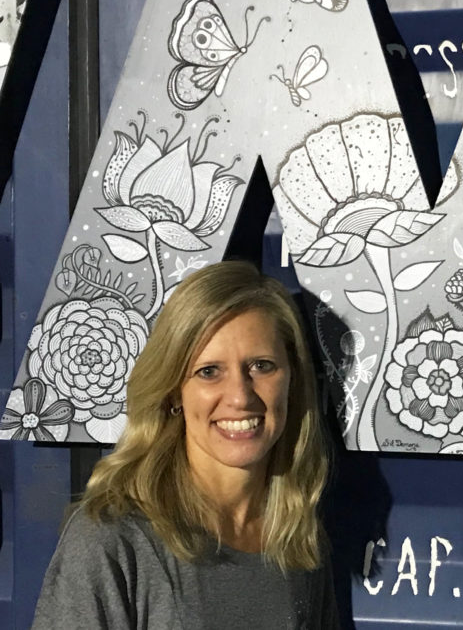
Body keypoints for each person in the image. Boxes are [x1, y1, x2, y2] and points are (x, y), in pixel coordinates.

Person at [32, 261, 340, 629]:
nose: (240, 396)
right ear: (175, 392)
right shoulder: (113, 538)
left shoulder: (297, 534)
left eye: (261, 366)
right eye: (209, 372)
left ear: (292, 379)